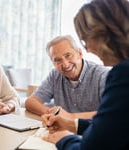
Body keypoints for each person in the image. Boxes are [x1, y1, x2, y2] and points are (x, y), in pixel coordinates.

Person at [42, 0, 129, 149]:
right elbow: (113, 124)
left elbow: (92, 146)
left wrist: (65, 139)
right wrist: (73, 125)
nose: (88, 49)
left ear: (102, 34)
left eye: (85, 39)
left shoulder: (122, 74)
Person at [25, 35, 110, 120]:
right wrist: (53, 114)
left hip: (92, 130)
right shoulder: (55, 75)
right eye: (58, 60)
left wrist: (70, 117)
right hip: (62, 131)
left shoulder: (102, 75)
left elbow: (111, 112)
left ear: (79, 54)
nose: (65, 64)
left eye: (68, 55)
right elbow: (30, 102)